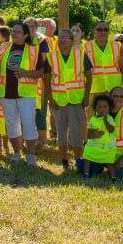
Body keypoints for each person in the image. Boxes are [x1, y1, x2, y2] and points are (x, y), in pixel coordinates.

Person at [0, 21, 46, 166]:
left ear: (26, 35)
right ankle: (16, 153)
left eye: (18, 32)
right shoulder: (3, 47)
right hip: (6, 94)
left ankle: (31, 155)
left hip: (25, 94)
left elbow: (41, 72)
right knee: (12, 125)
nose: (14, 34)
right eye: (13, 31)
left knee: (28, 124)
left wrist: (25, 73)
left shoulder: (33, 50)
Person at [45, 28, 89, 171]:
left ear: (72, 41)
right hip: (58, 101)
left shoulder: (81, 54)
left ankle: (78, 161)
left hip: (76, 100)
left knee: (76, 133)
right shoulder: (51, 57)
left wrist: (87, 96)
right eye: (60, 37)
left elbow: (90, 75)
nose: (62, 40)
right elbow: (46, 79)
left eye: (66, 37)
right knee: (61, 133)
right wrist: (50, 98)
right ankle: (64, 161)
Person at [86, 21, 123, 109]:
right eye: (99, 29)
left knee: (114, 118)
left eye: (105, 30)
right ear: (94, 31)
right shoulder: (85, 47)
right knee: (93, 119)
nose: (102, 32)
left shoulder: (116, 46)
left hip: (114, 91)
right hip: (93, 90)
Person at [82, 94, 116, 178]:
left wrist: (105, 120)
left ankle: (113, 177)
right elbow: (88, 132)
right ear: (96, 108)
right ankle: (86, 174)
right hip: (94, 145)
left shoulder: (109, 118)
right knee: (87, 155)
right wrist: (93, 133)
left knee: (109, 162)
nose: (102, 109)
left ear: (109, 108)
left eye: (105, 107)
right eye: (100, 107)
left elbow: (111, 130)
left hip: (106, 147)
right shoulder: (93, 119)